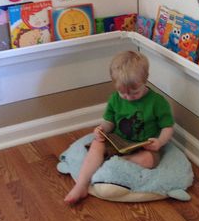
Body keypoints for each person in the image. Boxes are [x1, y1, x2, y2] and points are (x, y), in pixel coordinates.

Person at [64, 51, 174, 204]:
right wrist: (102, 129)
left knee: (148, 160)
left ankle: (112, 163)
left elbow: (168, 127)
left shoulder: (157, 102)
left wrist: (160, 142)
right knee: (96, 144)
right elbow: (109, 122)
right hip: (118, 141)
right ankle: (81, 185)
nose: (128, 97)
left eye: (134, 93)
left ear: (145, 80)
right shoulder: (115, 99)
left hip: (145, 147)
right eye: (123, 93)